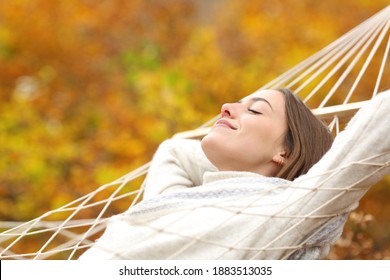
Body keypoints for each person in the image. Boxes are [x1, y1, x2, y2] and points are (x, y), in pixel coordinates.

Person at [79, 88, 390, 260]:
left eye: (254, 110)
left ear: (284, 152)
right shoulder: (174, 204)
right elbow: (173, 152)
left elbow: (378, 125)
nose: (226, 107)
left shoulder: (285, 215)